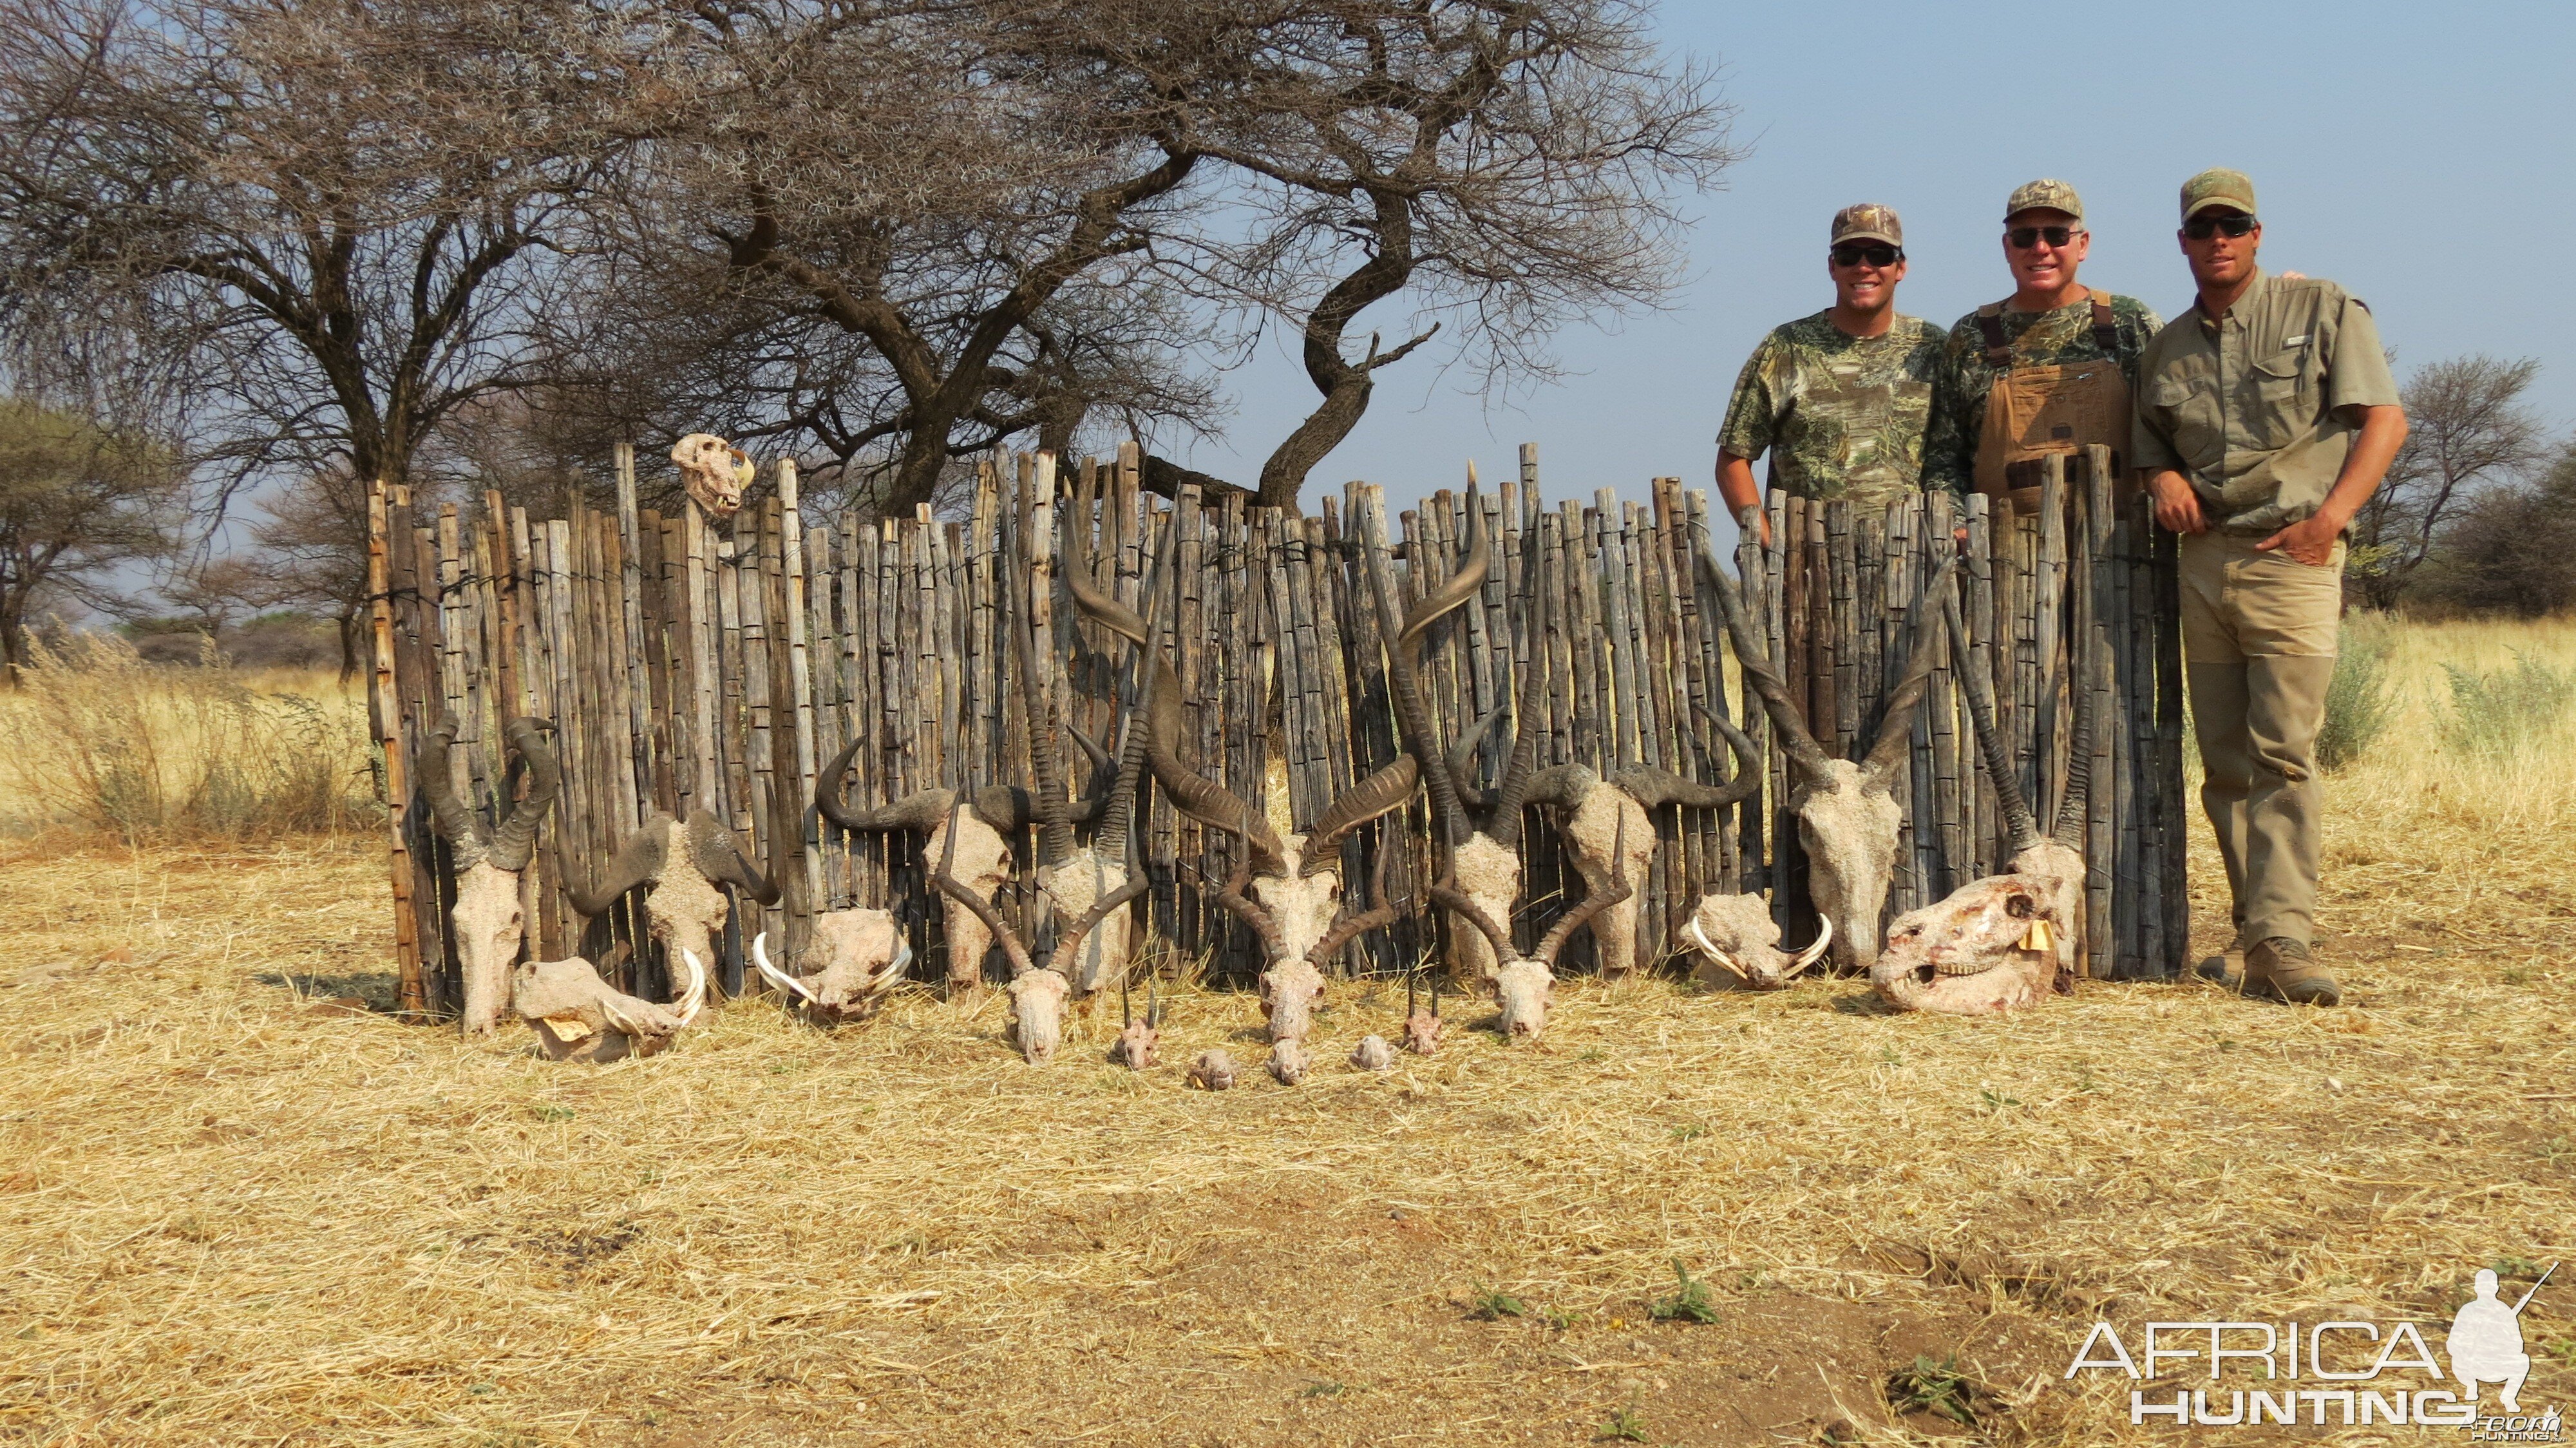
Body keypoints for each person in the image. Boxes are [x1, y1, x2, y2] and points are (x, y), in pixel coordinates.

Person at [2134, 168, 2407, 1006]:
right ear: (2183, 241)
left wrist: (2331, 521)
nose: (2219, 239)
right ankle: (2260, 936)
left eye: (2234, 225)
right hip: (2206, 565)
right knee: (2223, 763)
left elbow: (2384, 419)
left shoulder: (2322, 309)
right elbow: (2150, 441)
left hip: (2294, 561)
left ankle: (2284, 937)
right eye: (2203, 228)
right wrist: (2162, 479)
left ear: (2258, 234)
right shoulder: (2167, 346)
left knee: (2282, 754)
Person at [1716, 203, 1947, 542]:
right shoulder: (1786, 348)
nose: (1863, 267)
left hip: (1914, 572)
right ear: (1832, 267)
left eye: (1879, 255)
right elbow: (1733, 460)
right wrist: (1769, 543)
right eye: (1849, 255)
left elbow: (1961, 458)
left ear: (1901, 268)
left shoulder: (1933, 347)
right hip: (1810, 575)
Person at [1924, 180, 2162, 508]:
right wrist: (1960, 527)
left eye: (2056, 235)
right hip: (2002, 551)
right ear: (2007, 247)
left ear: (2083, 244)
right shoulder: (1971, 335)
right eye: (2025, 237)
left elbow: (2169, 435)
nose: (2040, 249)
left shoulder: (2130, 323)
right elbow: (1943, 460)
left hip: (2121, 549)